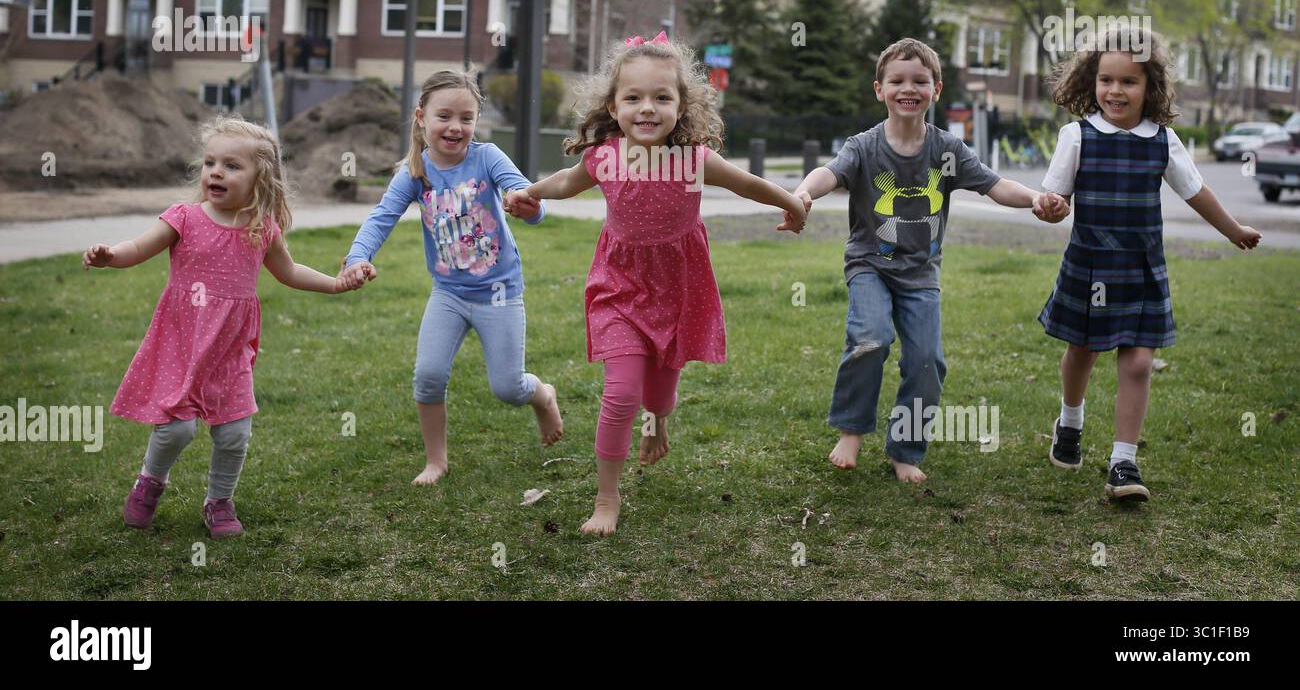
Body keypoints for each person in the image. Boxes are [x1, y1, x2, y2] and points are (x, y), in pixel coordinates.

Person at [514, 31, 807, 534]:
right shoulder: (604, 158)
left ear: (681, 104)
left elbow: (749, 184)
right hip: (619, 286)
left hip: (679, 288)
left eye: (661, 98)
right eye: (633, 98)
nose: (646, 109)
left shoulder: (694, 161)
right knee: (622, 391)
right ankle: (608, 498)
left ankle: (660, 419)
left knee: (660, 394)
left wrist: (793, 203)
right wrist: (531, 194)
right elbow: (564, 182)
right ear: (613, 104)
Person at [794, 38, 1066, 482]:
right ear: (878, 89)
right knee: (871, 338)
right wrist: (803, 193)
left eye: (920, 80)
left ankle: (905, 450)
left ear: (936, 89)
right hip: (870, 265)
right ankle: (851, 430)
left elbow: (995, 186)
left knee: (927, 361)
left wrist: (1038, 199)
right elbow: (829, 173)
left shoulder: (948, 151)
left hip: (921, 275)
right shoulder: (863, 147)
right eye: (897, 80)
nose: (909, 88)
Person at [85, 116, 368, 538]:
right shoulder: (183, 217)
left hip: (230, 348)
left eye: (232, 166)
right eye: (210, 162)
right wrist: (111, 255)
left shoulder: (261, 229)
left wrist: (335, 284)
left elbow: (289, 271)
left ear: (261, 179)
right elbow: (139, 247)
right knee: (176, 429)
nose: (216, 172)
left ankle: (219, 501)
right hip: (182, 340)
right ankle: (150, 482)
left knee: (234, 432)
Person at [1037, 27, 1261, 501]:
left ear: (1150, 87)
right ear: (1091, 82)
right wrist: (1051, 206)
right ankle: (1070, 423)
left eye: (1128, 82)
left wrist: (1234, 229)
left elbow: (1197, 192)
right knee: (1082, 351)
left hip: (1141, 268)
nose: (1115, 91)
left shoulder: (1164, 141)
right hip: (1090, 264)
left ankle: (1124, 462)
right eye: (1106, 80)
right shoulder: (1076, 136)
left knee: (1138, 363)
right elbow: (1054, 195)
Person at [340, 70, 563, 487]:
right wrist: (358, 256)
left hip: (499, 292)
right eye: (445, 116)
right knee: (428, 375)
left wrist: (528, 206)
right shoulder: (415, 171)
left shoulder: (488, 157)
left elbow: (527, 195)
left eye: (466, 118)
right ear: (422, 117)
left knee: (508, 388)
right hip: (449, 294)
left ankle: (543, 395)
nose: (455, 127)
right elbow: (381, 218)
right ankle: (436, 461)